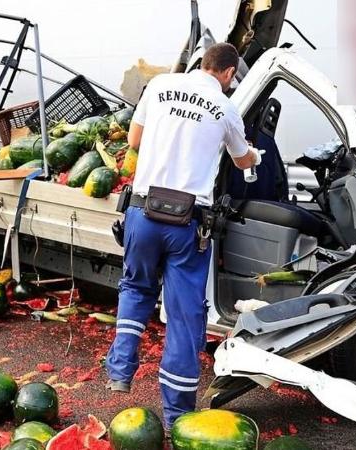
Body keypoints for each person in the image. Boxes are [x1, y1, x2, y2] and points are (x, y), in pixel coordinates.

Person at [104, 42, 262, 428]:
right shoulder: (226, 108)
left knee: (136, 288)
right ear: (226, 73)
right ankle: (178, 416)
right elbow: (242, 161)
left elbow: (134, 141)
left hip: (141, 212)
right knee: (184, 316)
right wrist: (254, 156)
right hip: (187, 225)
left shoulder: (159, 87)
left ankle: (120, 371)